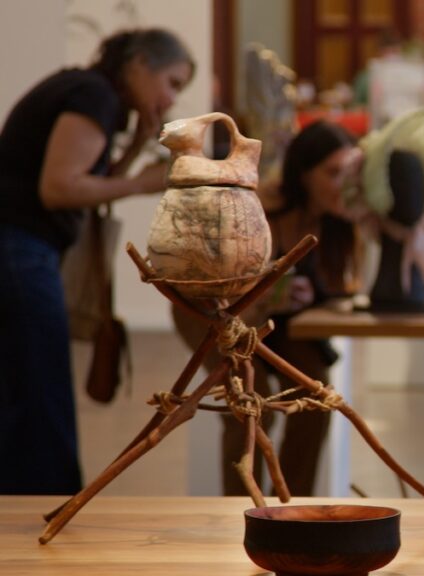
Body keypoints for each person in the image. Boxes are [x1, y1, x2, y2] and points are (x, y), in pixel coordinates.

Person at [0, 29, 193, 495]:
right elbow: (60, 188)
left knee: (25, 388)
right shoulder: (93, 95)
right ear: (139, 64)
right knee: (41, 392)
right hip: (18, 249)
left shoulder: (92, 91)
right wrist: (144, 183)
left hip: (21, 249)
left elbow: (90, 183)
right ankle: (48, 508)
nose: (171, 100)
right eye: (172, 83)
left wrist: (136, 145)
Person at [174, 121, 368, 496]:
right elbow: (218, 290)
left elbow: (343, 288)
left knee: (315, 395)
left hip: (273, 320)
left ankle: (293, 510)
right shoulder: (260, 206)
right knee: (250, 400)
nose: (342, 184)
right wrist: (271, 293)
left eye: (349, 174)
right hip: (210, 311)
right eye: (332, 173)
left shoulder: (337, 220)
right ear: (304, 173)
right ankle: (242, 509)